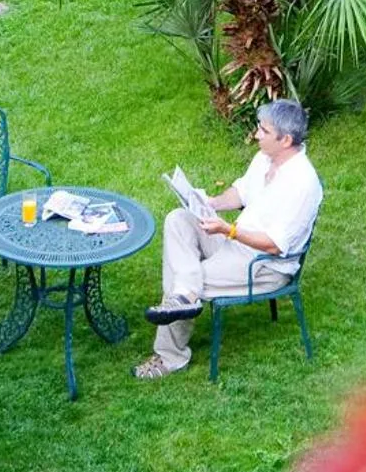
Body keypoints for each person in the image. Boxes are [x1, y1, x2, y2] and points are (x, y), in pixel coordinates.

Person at [133, 98, 323, 379]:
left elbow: (274, 245)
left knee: (183, 276)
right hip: (235, 240)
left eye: (264, 131)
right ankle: (185, 295)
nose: (256, 134)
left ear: (285, 140)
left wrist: (228, 230)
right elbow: (241, 193)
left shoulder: (302, 184)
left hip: (263, 265)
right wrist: (208, 202)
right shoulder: (264, 158)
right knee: (178, 220)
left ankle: (170, 356)